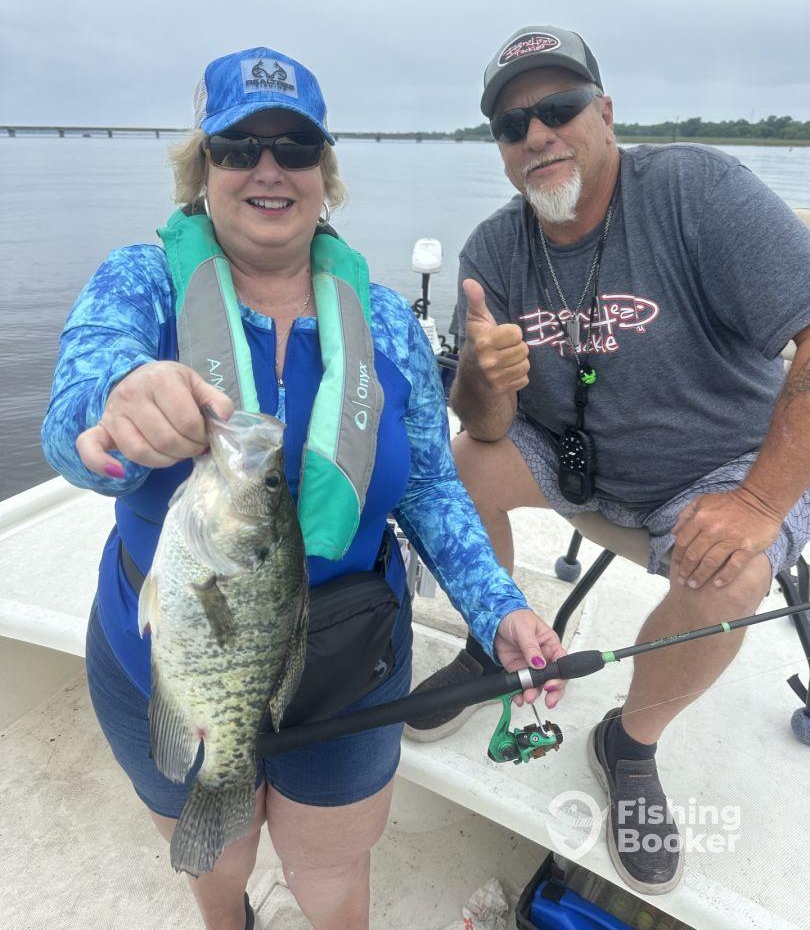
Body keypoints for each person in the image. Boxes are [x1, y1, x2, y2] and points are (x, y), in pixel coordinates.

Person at [40, 45, 568, 930]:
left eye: (294, 146)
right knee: (220, 856)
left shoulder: (387, 321)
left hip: (351, 668)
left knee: (332, 870)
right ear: (200, 168)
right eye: (238, 147)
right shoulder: (141, 284)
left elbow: (431, 488)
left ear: (325, 171)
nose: (267, 168)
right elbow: (70, 425)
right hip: (169, 667)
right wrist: (112, 410)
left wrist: (499, 610)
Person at [405, 25, 810, 893]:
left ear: (607, 111)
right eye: (512, 125)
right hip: (575, 455)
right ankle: (491, 639)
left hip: (718, 468)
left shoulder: (697, 190)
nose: (538, 134)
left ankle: (627, 743)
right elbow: (483, 427)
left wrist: (760, 504)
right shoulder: (492, 251)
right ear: (501, 151)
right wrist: (481, 377)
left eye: (558, 108)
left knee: (732, 572)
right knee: (458, 464)